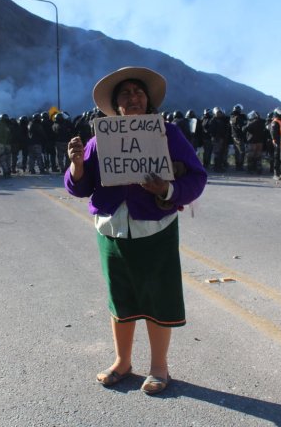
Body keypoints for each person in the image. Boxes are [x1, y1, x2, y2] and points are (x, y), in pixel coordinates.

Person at [64, 66, 207, 395]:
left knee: (158, 299)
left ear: (148, 101)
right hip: (112, 230)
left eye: (138, 92)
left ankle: (159, 368)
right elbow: (79, 186)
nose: (133, 98)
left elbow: (196, 177)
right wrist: (77, 165)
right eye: (125, 94)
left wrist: (167, 189)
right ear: (115, 105)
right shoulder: (100, 139)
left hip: (155, 229)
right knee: (120, 298)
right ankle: (122, 362)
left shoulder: (167, 134)